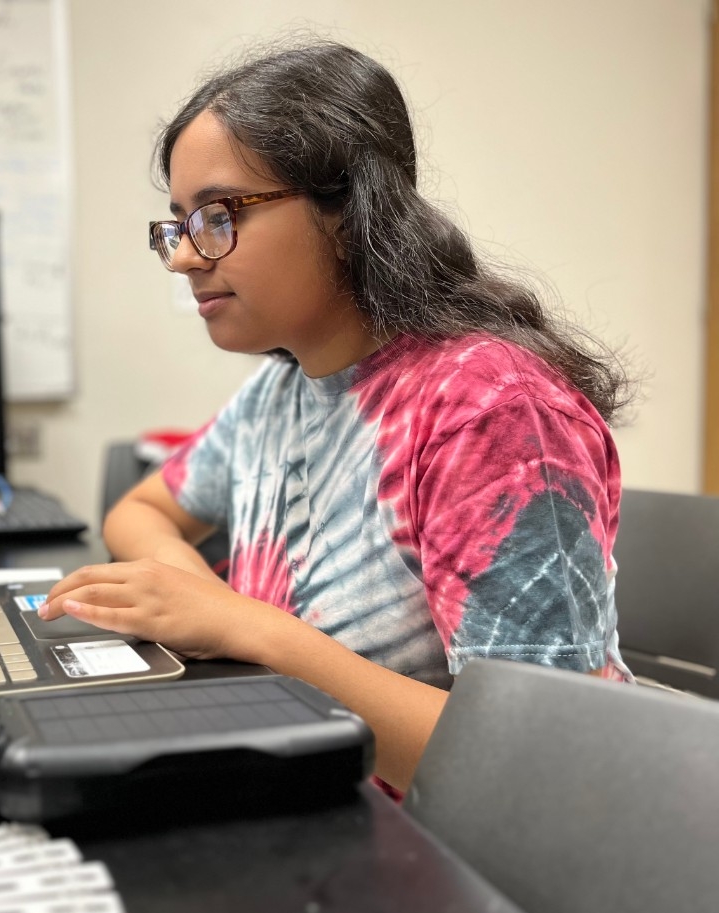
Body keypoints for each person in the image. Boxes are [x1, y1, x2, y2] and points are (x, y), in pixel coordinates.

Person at [37, 41, 635, 793]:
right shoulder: (283, 388)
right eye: (177, 225)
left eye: (217, 216)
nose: (186, 258)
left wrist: (245, 628)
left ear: (350, 211)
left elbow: (545, 767)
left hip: (458, 867)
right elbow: (143, 509)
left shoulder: (491, 411)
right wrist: (206, 601)